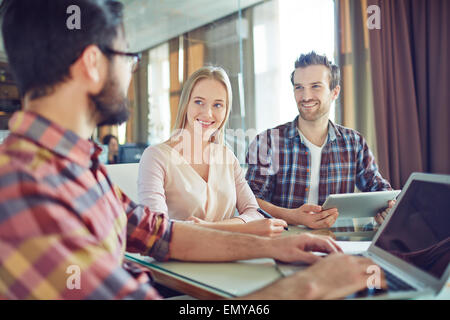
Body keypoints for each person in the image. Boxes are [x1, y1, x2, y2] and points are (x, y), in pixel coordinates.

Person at [0, 0, 385, 300]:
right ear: (93, 64)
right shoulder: (27, 191)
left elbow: (160, 233)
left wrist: (279, 244)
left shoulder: (80, 166)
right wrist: (310, 287)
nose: (132, 70)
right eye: (127, 58)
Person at [246, 51, 394, 229]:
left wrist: (388, 208)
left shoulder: (354, 142)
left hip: (339, 244)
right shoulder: (267, 142)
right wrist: (293, 216)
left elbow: (378, 189)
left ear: (334, 92)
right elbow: (251, 201)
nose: (305, 96)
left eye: (315, 86)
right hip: (283, 243)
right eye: (299, 87)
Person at [138, 66, 288, 237]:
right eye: (199, 102)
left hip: (228, 256)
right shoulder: (156, 157)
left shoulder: (227, 157)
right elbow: (155, 227)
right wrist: (239, 227)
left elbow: (253, 212)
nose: (208, 113)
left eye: (218, 105)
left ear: (226, 111)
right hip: (177, 259)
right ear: (186, 103)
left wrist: (210, 227)